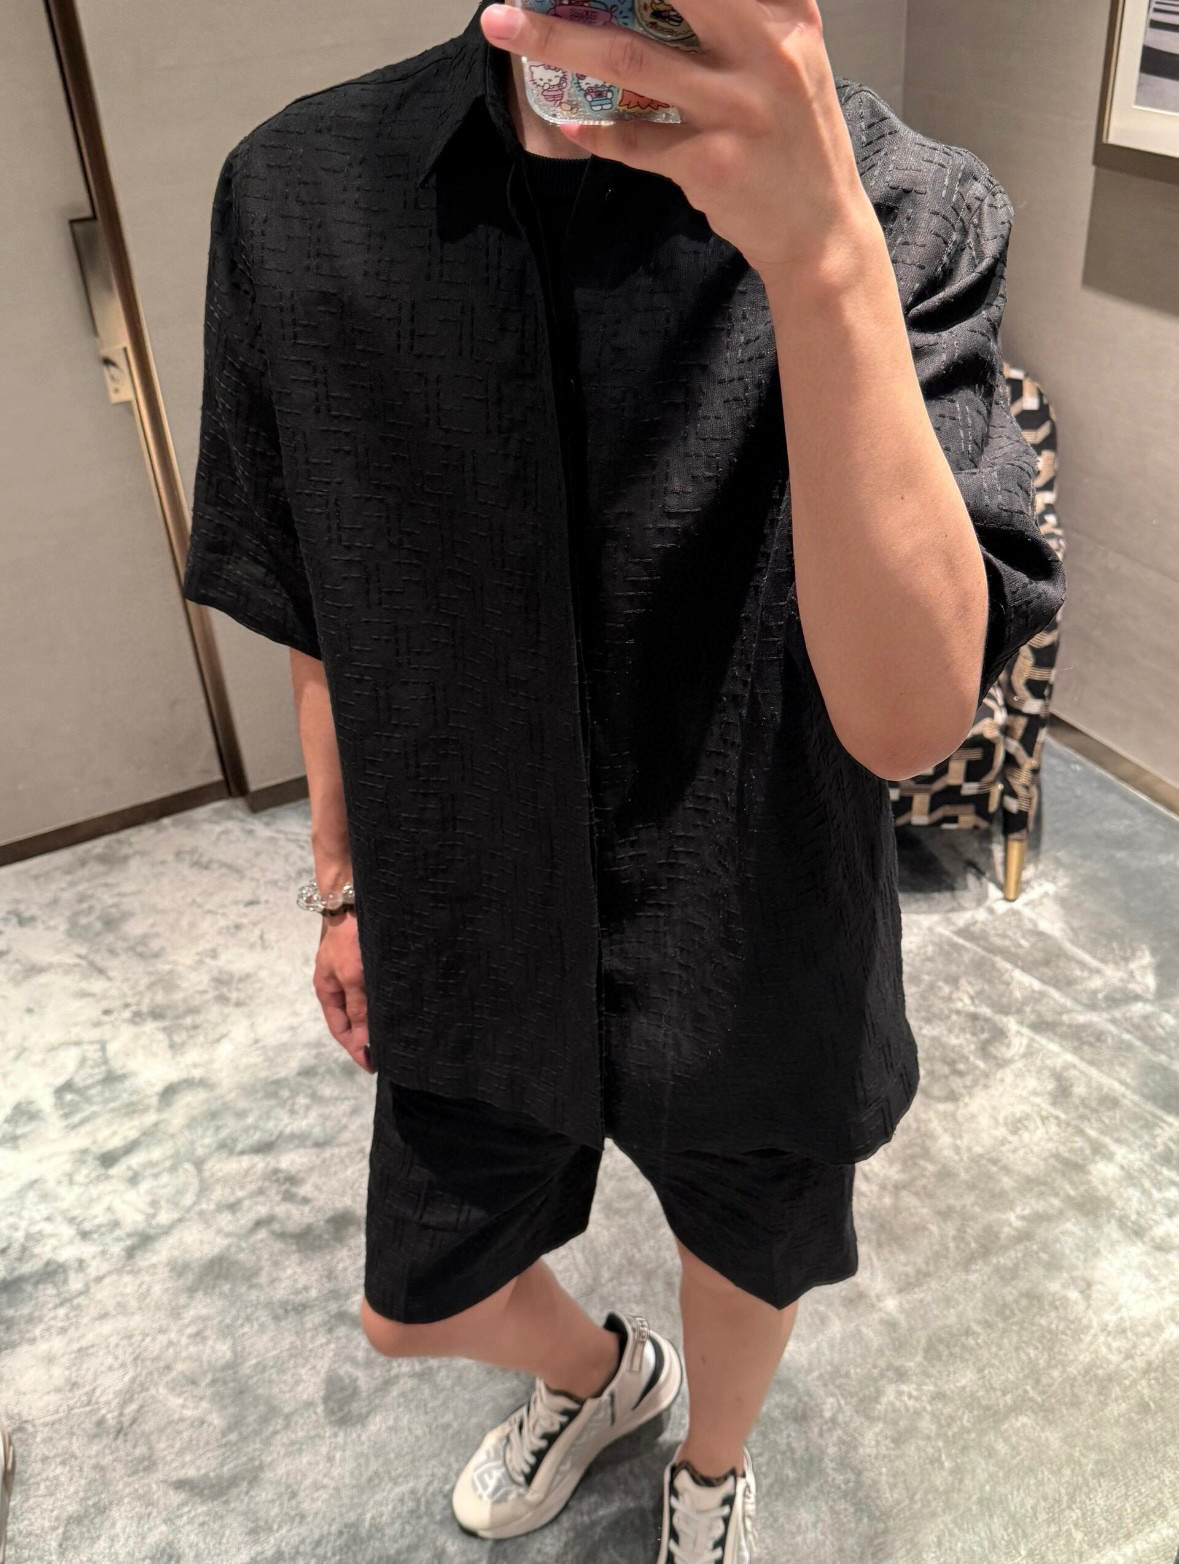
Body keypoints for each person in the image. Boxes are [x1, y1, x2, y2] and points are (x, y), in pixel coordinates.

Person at [181, 0, 1067, 1556]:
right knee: (417, 1298)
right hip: (467, 898)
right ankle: (605, 1378)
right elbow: (323, 598)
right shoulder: (299, 194)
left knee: (749, 1252)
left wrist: (823, 260)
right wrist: (340, 885)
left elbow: (911, 721)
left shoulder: (907, 203)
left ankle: (709, 1469)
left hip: (758, 899)